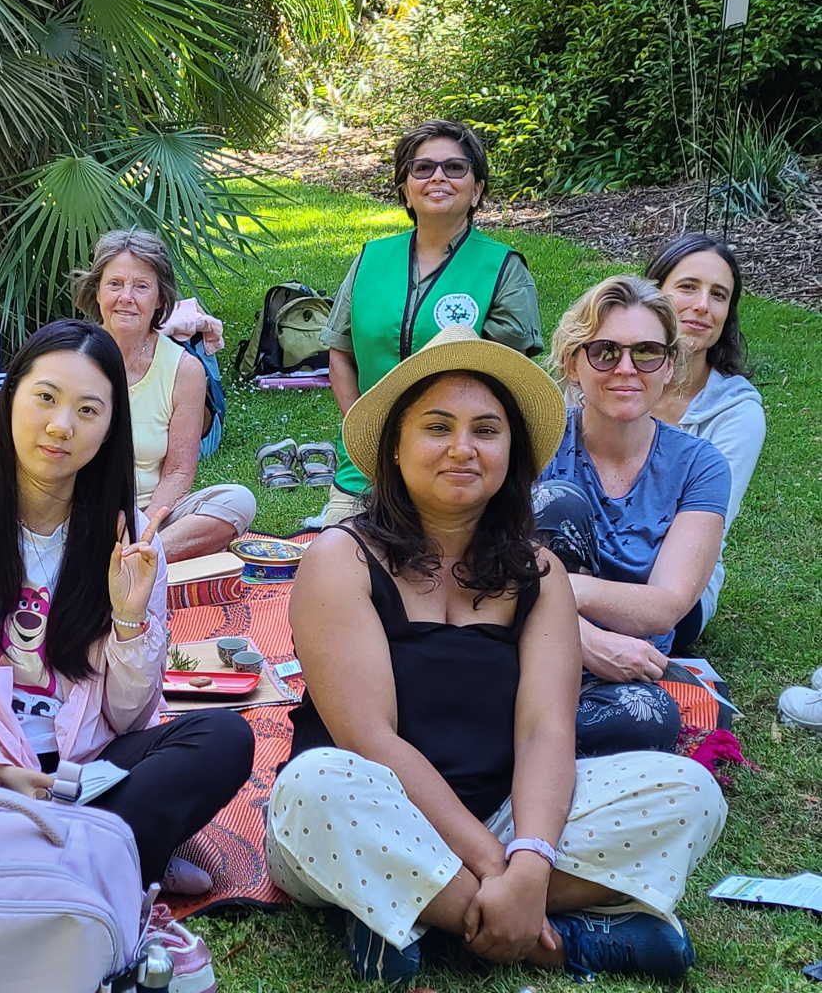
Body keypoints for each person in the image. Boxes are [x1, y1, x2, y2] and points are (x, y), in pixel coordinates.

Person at [270, 324, 725, 985]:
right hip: (368, 807)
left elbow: (547, 732)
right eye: (436, 428)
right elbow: (372, 740)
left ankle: (403, 911)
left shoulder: (537, 573)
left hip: (504, 814)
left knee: (689, 791)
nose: (462, 449)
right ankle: (555, 941)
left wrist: (530, 858)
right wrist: (493, 867)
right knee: (315, 789)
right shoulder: (341, 559)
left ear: (510, 452)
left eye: (485, 430)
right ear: (395, 448)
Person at [0, 320, 255, 922]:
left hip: (89, 774)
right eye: (46, 398)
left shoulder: (132, 539)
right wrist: (3, 772)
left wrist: (130, 620)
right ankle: (111, 856)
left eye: (89, 410)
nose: (62, 426)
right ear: (9, 400)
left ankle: (19, 862)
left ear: (111, 426)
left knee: (223, 738)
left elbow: (127, 717)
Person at [535, 276, 729, 757]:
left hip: (628, 663)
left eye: (646, 353)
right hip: (527, 641)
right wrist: (578, 636)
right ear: (572, 363)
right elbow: (485, 564)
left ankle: (519, 734)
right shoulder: (535, 440)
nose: (626, 368)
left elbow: (666, 606)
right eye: (604, 352)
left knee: (649, 720)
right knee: (558, 502)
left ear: (669, 367)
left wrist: (552, 587)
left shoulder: (699, 465)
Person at [321, 120, 542, 525]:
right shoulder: (370, 259)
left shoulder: (503, 269)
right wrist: (367, 438)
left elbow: (509, 380)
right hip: (365, 471)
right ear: (404, 187)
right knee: (340, 571)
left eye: (455, 168)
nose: (438, 177)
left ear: (477, 189)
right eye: (422, 168)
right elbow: (341, 351)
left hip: (456, 473)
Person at [74, 229, 256, 562]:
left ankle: (136, 560)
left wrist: (142, 526)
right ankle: (131, 563)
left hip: (150, 513)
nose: (126, 297)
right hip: (77, 509)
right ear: (97, 291)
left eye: (141, 286)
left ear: (160, 298)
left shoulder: (184, 369)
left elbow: (178, 472)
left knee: (237, 501)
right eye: (115, 284)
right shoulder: (71, 355)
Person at [645, 234, 764, 652]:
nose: (702, 306)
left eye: (718, 295)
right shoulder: (605, 375)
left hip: (674, 585)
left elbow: (703, 528)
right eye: (688, 286)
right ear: (655, 293)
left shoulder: (737, 413)